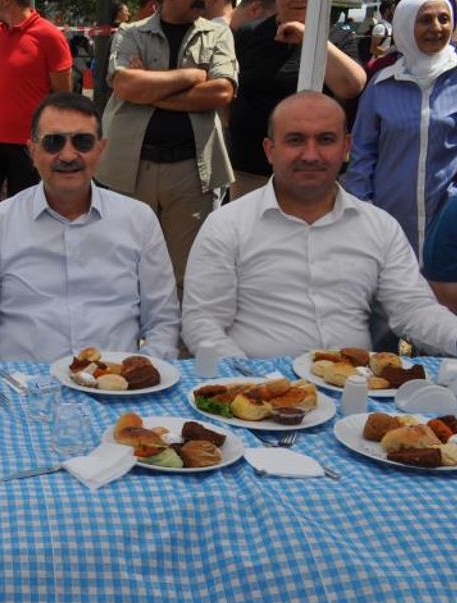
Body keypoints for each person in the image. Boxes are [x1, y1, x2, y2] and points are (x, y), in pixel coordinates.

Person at [182, 92, 457, 358]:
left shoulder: (379, 227)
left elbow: (414, 310)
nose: (311, 155)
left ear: (346, 148)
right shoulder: (228, 225)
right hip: (253, 383)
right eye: (295, 140)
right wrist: (252, 379)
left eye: (326, 140)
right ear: (270, 150)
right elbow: (202, 323)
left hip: (354, 384)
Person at [0, 92, 180, 362]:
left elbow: (163, 323)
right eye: (53, 142)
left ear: (101, 149)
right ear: (32, 151)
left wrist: (140, 375)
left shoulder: (138, 221)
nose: (69, 155)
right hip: (20, 383)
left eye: (82, 142)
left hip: (115, 383)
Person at [96, 0, 238, 297]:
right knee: (124, 267)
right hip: (130, 171)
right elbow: (125, 85)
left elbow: (222, 91)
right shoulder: (130, 32)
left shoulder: (217, 34)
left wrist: (149, 89)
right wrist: (192, 76)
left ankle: (180, 330)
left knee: (188, 275)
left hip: (192, 173)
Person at [345, 0, 457, 256]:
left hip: (449, 225)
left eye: (444, 19)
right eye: (425, 20)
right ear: (405, 24)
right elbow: (362, 154)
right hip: (389, 224)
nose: (436, 27)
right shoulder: (382, 85)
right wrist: (364, 210)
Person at [0, 0, 71, 252]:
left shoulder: (49, 35)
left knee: (26, 218)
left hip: (27, 145)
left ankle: (24, 267)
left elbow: (62, 97)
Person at [230, 0, 366, 200]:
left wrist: (309, 36)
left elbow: (351, 86)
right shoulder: (248, 34)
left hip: (310, 170)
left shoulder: (337, 37)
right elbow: (229, 92)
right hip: (250, 170)